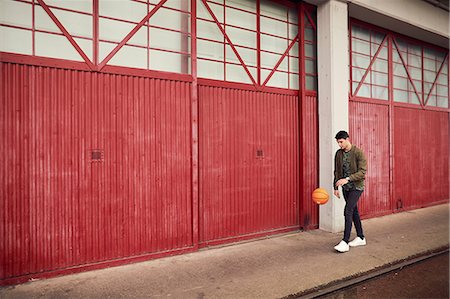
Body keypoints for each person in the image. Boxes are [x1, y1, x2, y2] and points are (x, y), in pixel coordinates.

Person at [333, 130, 367, 253]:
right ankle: (361, 237)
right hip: (345, 188)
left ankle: (345, 241)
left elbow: (362, 173)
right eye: (338, 143)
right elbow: (336, 171)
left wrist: (347, 179)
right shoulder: (339, 154)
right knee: (354, 211)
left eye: (341, 142)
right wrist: (335, 187)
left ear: (347, 139)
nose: (340, 145)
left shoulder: (358, 153)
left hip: (357, 187)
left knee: (348, 210)